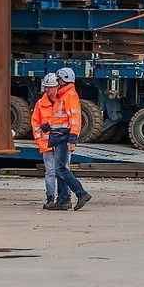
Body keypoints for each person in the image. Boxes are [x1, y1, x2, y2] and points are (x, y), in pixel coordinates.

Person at [48, 67, 90, 211]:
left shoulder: (69, 95)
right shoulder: (63, 95)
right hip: (59, 135)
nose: (57, 82)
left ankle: (81, 193)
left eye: (59, 79)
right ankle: (63, 201)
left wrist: (72, 139)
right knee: (61, 169)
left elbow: (75, 118)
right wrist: (48, 127)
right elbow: (61, 118)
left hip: (63, 137)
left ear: (63, 80)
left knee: (60, 169)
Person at [31, 74, 61, 209]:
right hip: (47, 143)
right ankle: (50, 198)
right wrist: (38, 139)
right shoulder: (40, 104)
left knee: (62, 171)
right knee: (50, 172)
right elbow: (35, 123)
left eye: (51, 87)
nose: (48, 90)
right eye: (46, 87)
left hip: (61, 142)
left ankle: (63, 198)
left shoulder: (63, 101)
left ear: (57, 87)